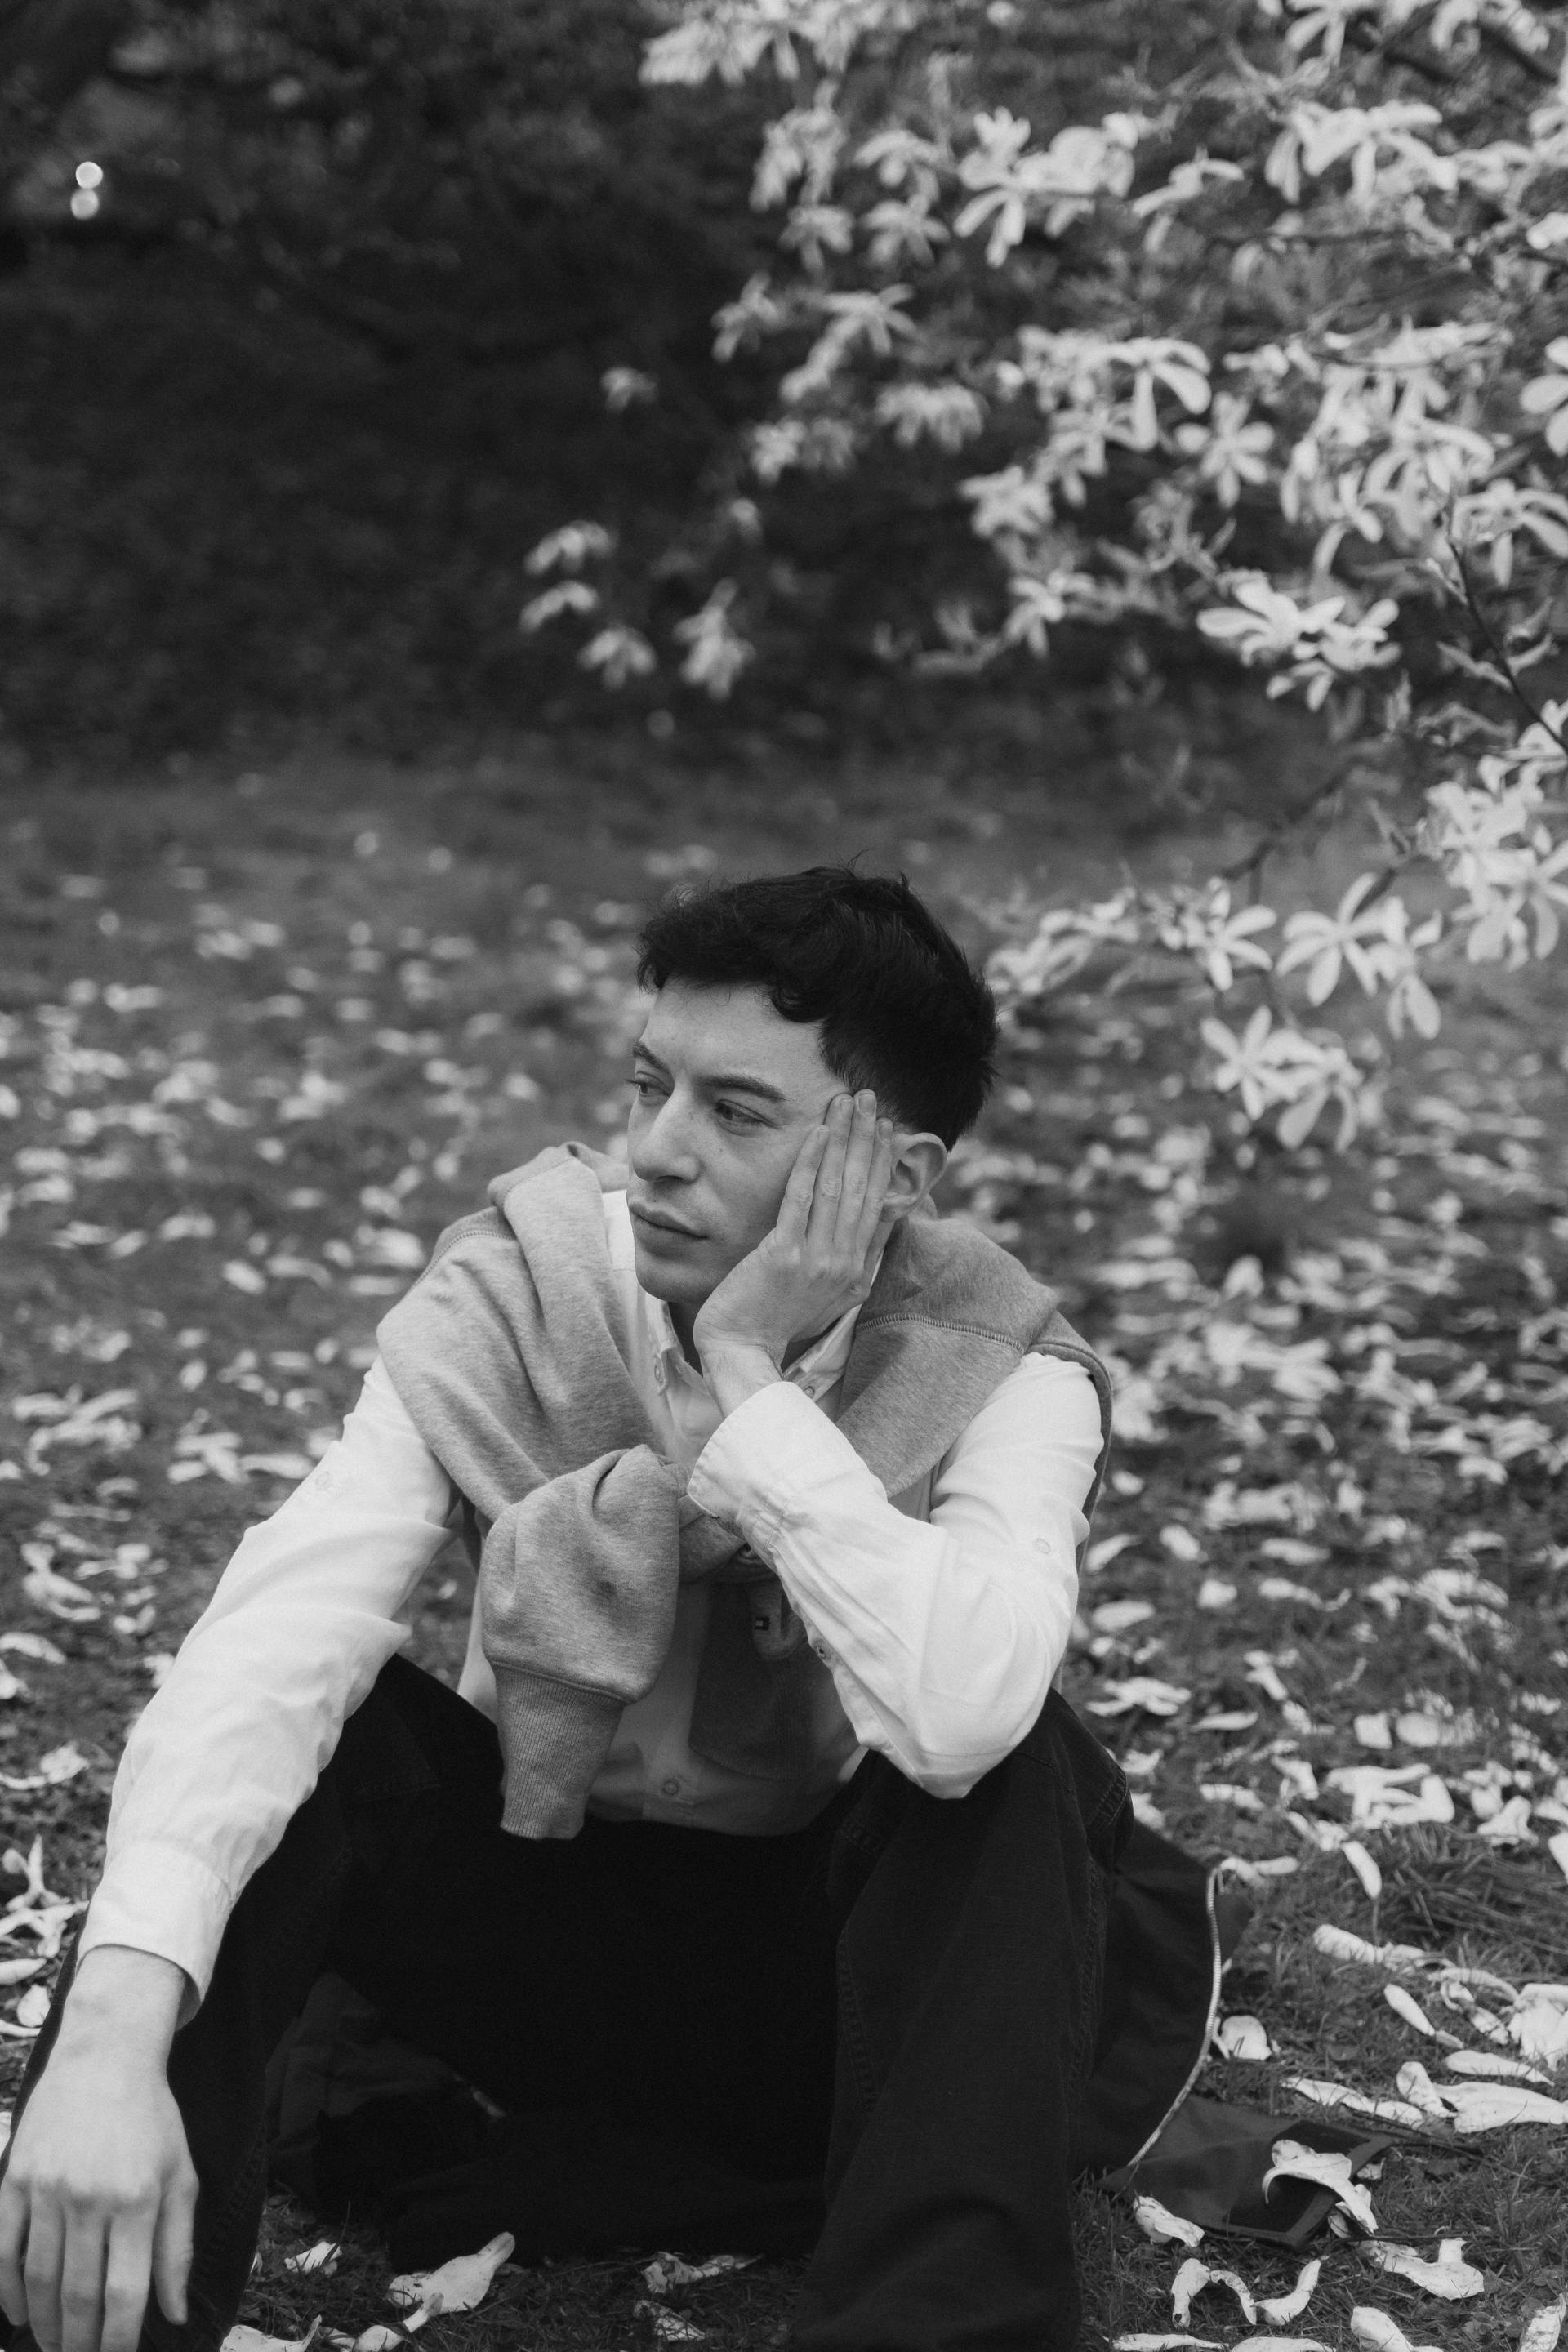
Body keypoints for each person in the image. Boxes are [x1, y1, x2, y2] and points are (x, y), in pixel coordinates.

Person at [0, 868, 1215, 2352]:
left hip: (833, 2000)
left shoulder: (1003, 1362)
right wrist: (110, 2040)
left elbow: (963, 1720)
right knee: (329, 1728)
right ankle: (91, 2317)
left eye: (738, 1114)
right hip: (531, 1942)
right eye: (651, 1086)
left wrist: (751, 1376)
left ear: (893, 1178)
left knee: (1021, 1757)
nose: (657, 1151)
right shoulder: (523, 1289)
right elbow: (279, 1633)